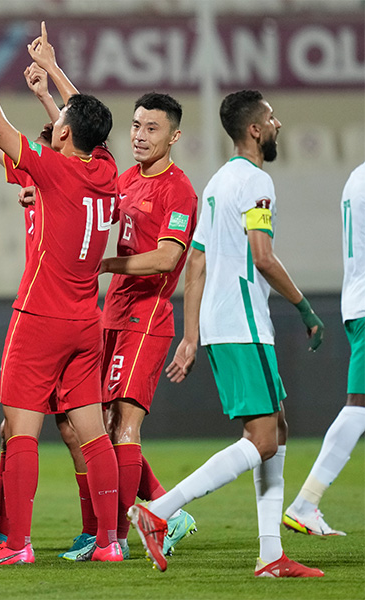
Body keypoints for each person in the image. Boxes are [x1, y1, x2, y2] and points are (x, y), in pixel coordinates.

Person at [130, 89, 325, 578]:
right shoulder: (257, 183)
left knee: (276, 431)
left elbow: (194, 262)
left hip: (221, 323)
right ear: (255, 129)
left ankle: (271, 553)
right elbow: (262, 256)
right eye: (272, 117)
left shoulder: (216, 183)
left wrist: (193, 336)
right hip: (243, 321)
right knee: (261, 439)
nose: (278, 123)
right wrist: (304, 308)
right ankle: (158, 511)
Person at [0, 23, 122, 565]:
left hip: (40, 316)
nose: (55, 126)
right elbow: (88, 121)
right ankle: (108, 543)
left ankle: (18, 544)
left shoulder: (53, 171)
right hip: (84, 319)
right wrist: (53, 74)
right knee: (94, 434)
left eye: (59, 123)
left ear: (65, 134)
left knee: (20, 429)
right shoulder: (106, 171)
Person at [80, 91, 199, 559]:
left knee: (125, 427)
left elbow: (169, 256)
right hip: (113, 314)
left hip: (147, 318)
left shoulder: (179, 190)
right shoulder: (125, 179)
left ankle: (119, 539)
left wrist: (108, 264)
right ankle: (166, 512)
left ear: (174, 135)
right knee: (107, 427)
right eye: (135, 126)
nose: (140, 136)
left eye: (152, 129)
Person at [283, 161, 365, 536]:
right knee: (358, 407)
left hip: (356, 300)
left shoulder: (356, 176)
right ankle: (305, 502)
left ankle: (307, 502)